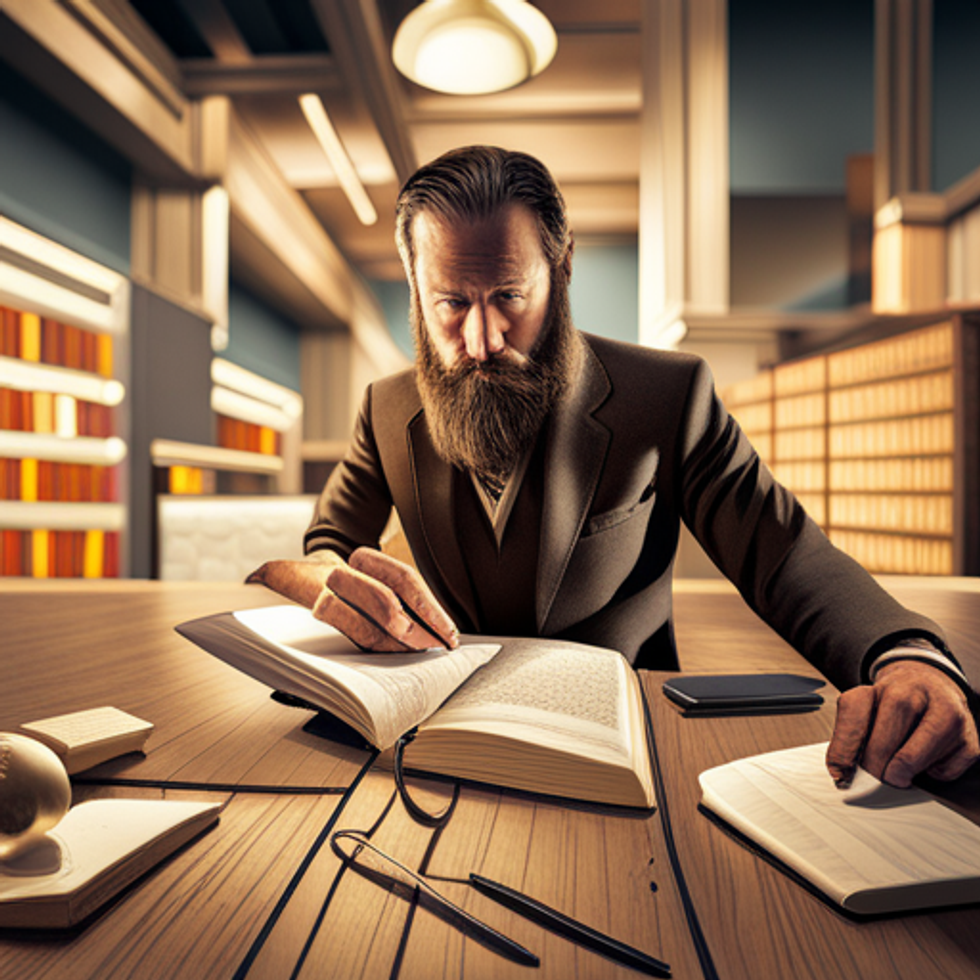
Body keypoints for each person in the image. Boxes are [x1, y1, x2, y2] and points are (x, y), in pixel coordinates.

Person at [250, 145, 978, 791]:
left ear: (561, 269)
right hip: (430, 749)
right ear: (414, 286)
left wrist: (902, 652)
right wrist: (337, 587)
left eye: (509, 296)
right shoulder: (384, 407)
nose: (481, 339)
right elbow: (325, 546)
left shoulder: (668, 393)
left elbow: (783, 553)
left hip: (632, 749)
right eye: (450, 303)